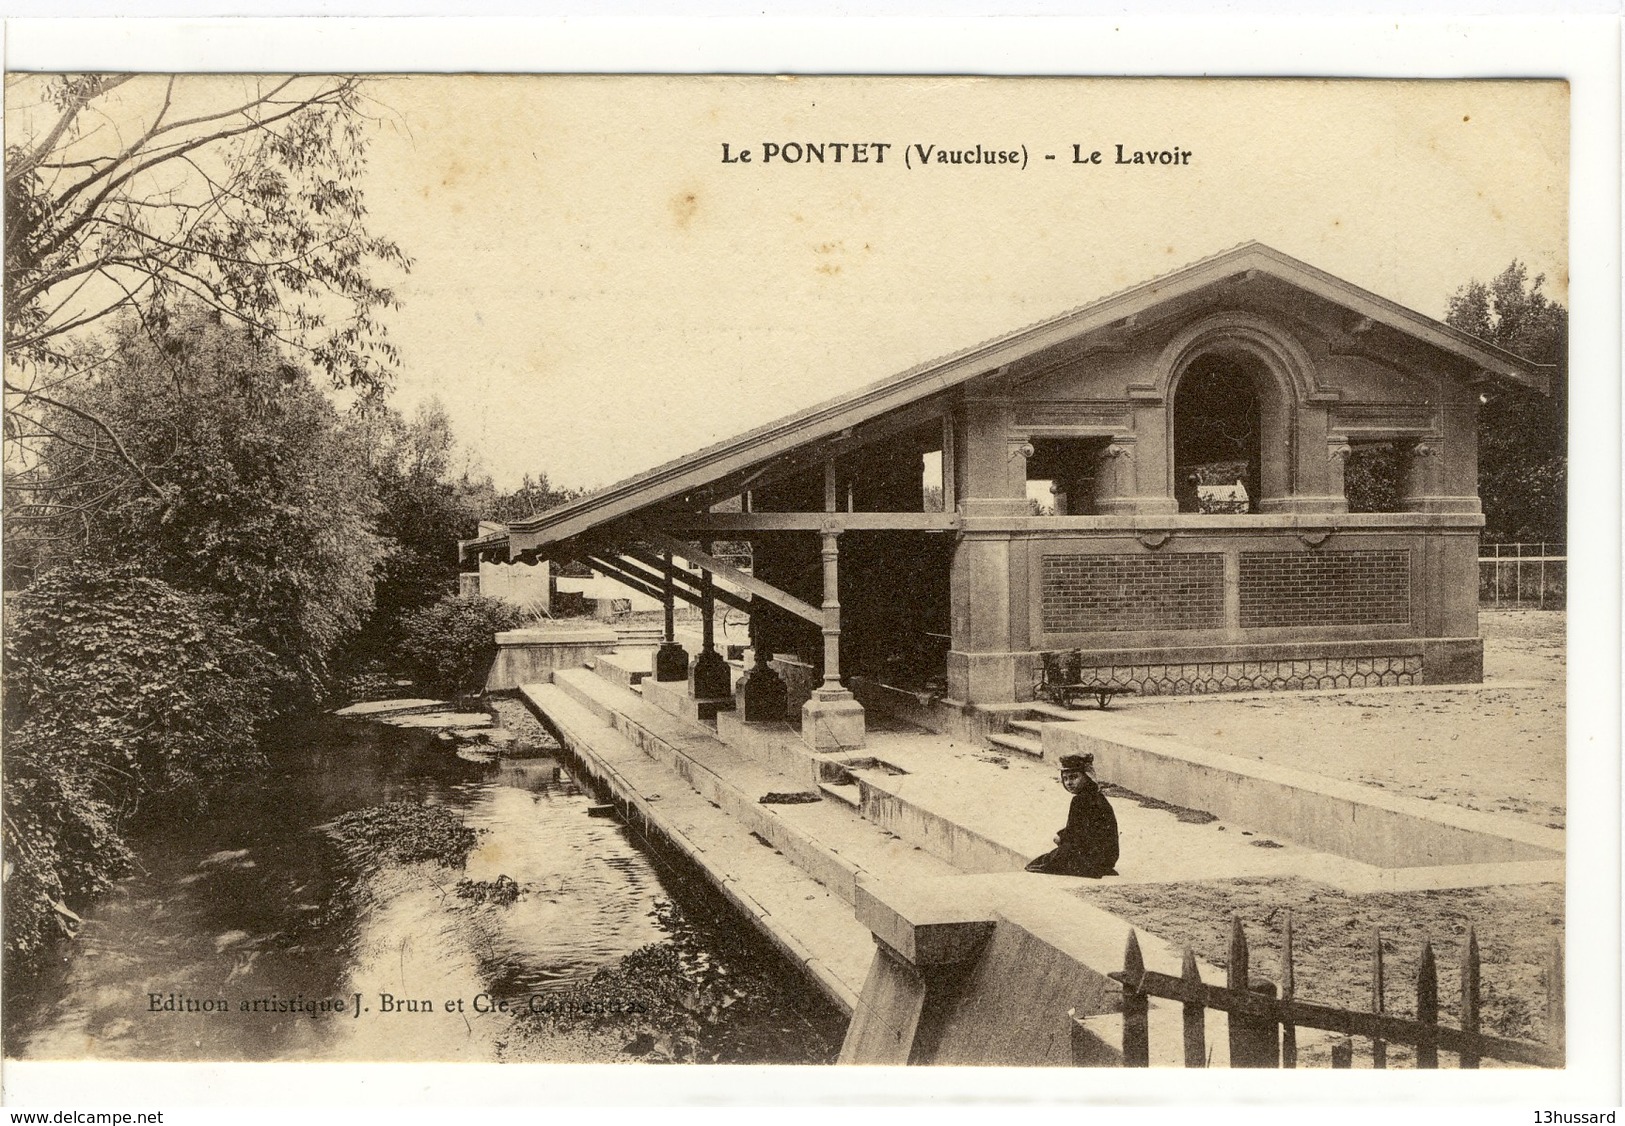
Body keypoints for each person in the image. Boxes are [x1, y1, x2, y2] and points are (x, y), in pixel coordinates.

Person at [1025, 753, 1119, 877]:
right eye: (1066, 778)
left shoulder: (1080, 800)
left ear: (1087, 776)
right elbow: (1082, 828)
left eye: (1074, 777)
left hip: (1090, 858)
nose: (1069, 783)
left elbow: (1077, 835)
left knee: (1040, 864)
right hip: (1107, 859)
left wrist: (1061, 838)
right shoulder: (1097, 796)